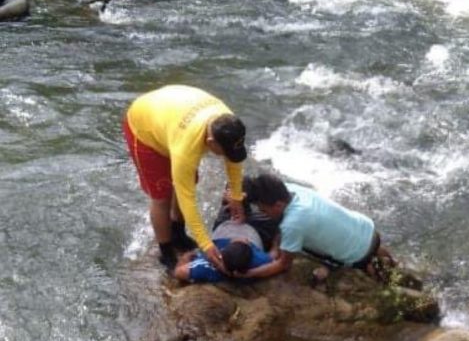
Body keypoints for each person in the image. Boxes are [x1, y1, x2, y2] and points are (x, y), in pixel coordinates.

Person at [123, 85, 248, 270]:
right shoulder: (186, 149)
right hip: (144, 127)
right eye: (224, 151)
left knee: (189, 180)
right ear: (210, 142)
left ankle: (178, 232)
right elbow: (186, 196)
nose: (227, 156)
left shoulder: (228, 123)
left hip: (171, 114)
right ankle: (165, 252)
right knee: (162, 195)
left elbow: (234, 162)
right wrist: (206, 244)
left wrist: (236, 197)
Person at [237, 173, 398, 282]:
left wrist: (250, 274)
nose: (262, 213)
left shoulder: (292, 225)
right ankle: (392, 263)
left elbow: (283, 264)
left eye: (264, 209)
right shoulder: (292, 189)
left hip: (357, 256)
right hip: (368, 230)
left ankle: (375, 274)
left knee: (300, 247)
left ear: (278, 205)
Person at [173, 237, 272, 283]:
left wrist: (186, 257)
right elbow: (273, 259)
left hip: (219, 240)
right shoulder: (259, 261)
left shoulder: (206, 267)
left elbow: (178, 272)